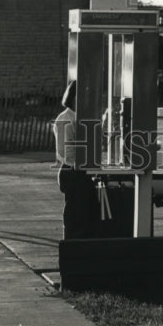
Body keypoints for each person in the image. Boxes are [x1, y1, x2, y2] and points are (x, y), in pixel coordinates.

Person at [53, 80, 95, 240]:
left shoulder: (78, 118)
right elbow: (66, 153)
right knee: (76, 215)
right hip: (72, 172)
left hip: (80, 171)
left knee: (83, 214)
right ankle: (72, 245)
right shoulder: (66, 119)